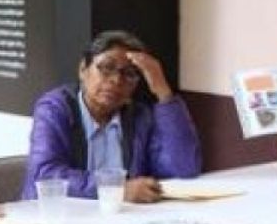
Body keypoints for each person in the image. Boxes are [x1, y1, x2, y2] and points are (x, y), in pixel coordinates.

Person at [20, 30, 201, 202]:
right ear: (83, 69)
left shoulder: (139, 117)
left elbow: (182, 169)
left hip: (123, 217)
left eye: (129, 74)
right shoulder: (55, 109)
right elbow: (45, 175)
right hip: (60, 216)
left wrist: (163, 91)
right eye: (107, 68)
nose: (116, 80)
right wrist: (117, 189)